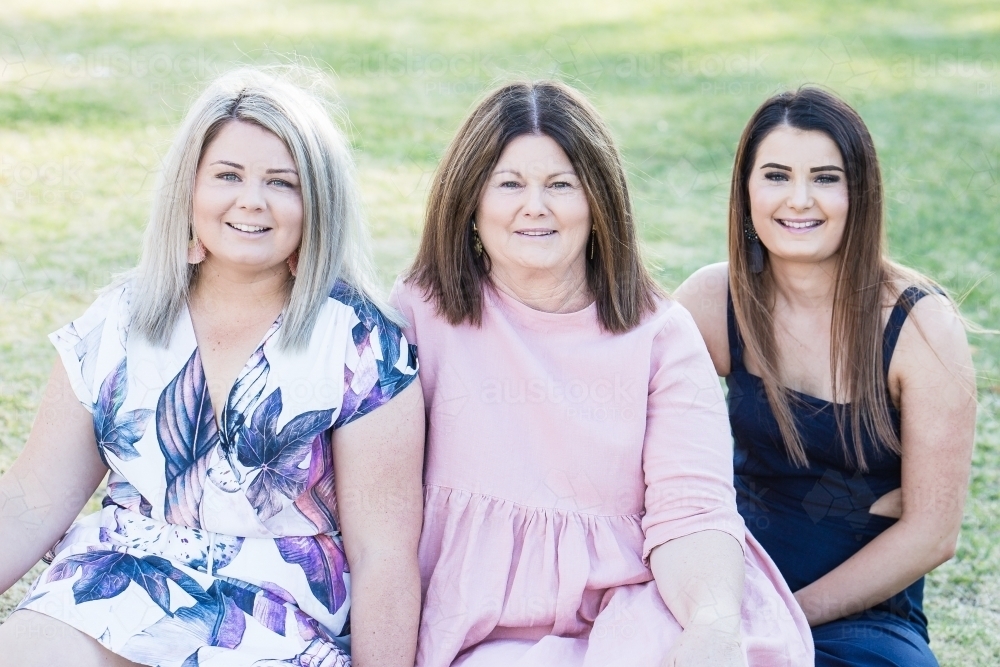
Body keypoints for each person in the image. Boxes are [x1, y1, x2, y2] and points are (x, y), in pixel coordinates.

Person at [0, 68, 424, 667]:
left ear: (317, 202)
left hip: (271, 616)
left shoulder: (360, 346)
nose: (251, 199)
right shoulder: (124, 319)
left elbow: (384, 555)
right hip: (120, 585)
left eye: (282, 182)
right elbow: (31, 496)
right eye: (228, 175)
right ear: (189, 189)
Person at [392, 80, 813, 667]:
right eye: (509, 184)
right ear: (470, 201)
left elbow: (691, 509)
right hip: (480, 627)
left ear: (598, 202)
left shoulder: (660, 336)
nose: (534, 206)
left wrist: (710, 628)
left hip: (640, 601)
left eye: (561, 185)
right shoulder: (418, 316)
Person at [675, 87, 976, 666]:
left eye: (826, 177)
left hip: (861, 617)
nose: (799, 199)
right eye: (777, 175)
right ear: (746, 190)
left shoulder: (919, 327)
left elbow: (932, 533)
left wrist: (787, 616)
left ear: (859, 193)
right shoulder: (714, 300)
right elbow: (630, 435)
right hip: (723, 586)